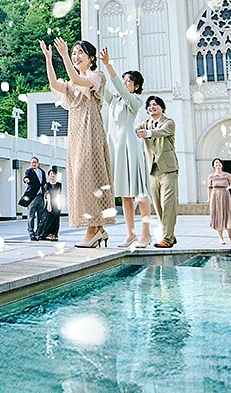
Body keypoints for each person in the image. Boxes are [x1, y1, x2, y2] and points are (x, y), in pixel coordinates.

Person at [40, 37, 115, 248]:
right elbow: (54, 83)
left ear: (91, 58)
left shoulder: (96, 76)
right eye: (73, 53)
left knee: (87, 175)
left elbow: (78, 78)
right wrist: (49, 58)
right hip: (75, 132)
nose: (76, 56)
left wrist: (63, 55)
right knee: (78, 177)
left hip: (91, 129)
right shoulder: (71, 82)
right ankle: (99, 229)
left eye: (80, 52)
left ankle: (93, 229)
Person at [99, 48, 153, 249]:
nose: (124, 83)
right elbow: (102, 88)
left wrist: (108, 65)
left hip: (131, 148)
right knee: (125, 194)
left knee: (141, 194)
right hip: (117, 149)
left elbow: (118, 88)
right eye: (124, 79)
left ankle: (145, 234)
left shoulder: (135, 101)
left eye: (128, 81)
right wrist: (92, 70)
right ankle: (130, 234)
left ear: (136, 86)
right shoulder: (115, 101)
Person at [136, 96, 179, 248]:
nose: (152, 107)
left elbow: (161, 132)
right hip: (153, 170)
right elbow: (132, 129)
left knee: (168, 203)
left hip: (168, 169)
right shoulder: (145, 124)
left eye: (155, 104)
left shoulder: (168, 122)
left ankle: (166, 238)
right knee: (158, 205)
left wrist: (147, 134)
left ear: (162, 107)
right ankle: (170, 235)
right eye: (149, 105)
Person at [207, 159, 231, 245]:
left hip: (226, 194)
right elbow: (209, 188)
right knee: (218, 215)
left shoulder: (227, 175)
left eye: (219, 162)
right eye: (216, 163)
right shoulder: (211, 176)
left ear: (222, 165)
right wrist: (209, 199)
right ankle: (221, 237)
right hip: (215, 196)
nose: (218, 164)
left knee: (228, 214)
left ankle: (229, 236)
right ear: (213, 166)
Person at [18, 157, 48, 241]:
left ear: (38, 163)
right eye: (32, 163)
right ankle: (31, 234)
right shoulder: (29, 171)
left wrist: (45, 186)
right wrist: (26, 180)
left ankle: (38, 233)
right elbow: (26, 177)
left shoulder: (42, 172)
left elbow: (44, 182)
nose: (33, 164)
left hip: (40, 196)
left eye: (35, 162)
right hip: (32, 197)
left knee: (40, 217)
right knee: (31, 216)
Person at [38, 168, 63, 241]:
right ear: (49, 176)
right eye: (51, 174)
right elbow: (47, 194)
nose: (52, 175)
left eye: (54, 174)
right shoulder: (47, 185)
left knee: (56, 220)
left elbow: (59, 194)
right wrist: (49, 204)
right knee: (48, 219)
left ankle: (54, 234)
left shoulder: (59, 184)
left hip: (56, 203)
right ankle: (45, 234)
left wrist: (59, 203)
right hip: (50, 203)